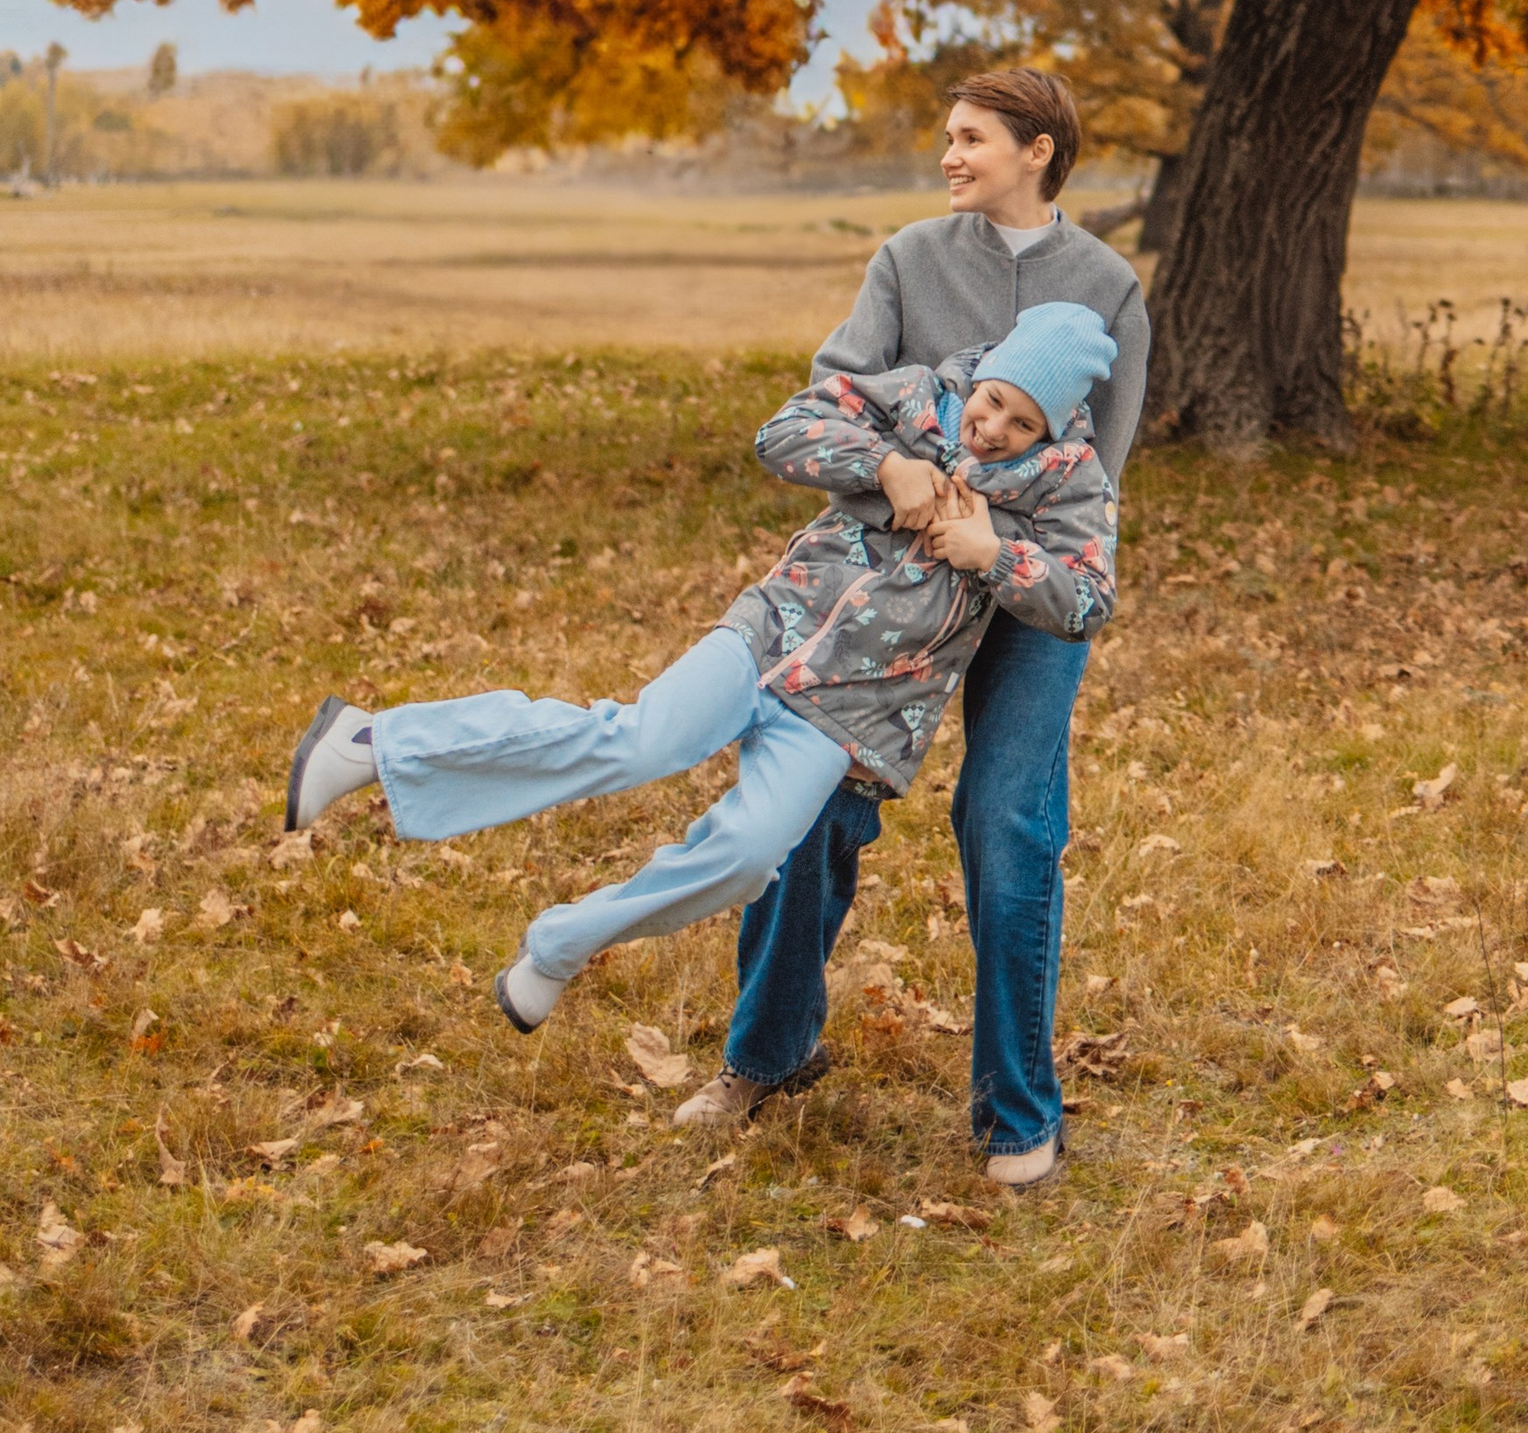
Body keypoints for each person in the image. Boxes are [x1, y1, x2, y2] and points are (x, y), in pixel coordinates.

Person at [279, 303, 1119, 1069]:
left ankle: (560, 947)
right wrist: (885, 464)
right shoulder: (918, 397)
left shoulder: (1067, 485)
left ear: (1052, 428)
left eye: (1023, 422)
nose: (994, 428)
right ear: (984, 374)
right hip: (772, 632)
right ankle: (374, 743)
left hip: (856, 713)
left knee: (748, 857)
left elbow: (1087, 602)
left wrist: (995, 556)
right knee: (638, 740)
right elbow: (783, 431)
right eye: (994, 401)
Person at [677, 66, 1148, 1187]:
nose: (948, 155)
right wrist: (892, 473)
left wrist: (999, 551)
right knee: (808, 804)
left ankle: (1017, 1112)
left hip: (1020, 589)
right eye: (948, 136)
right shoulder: (908, 257)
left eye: (970, 137)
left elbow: (1103, 470)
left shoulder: (1109, 286)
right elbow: (825, 406)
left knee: (1010, 820)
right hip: (891, 587)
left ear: (1037, 149)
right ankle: (767, 1055)